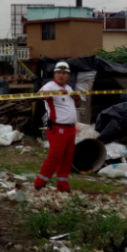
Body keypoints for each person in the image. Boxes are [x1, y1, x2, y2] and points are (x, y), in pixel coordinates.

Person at [35, 61, 82, 192]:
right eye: (59, 73)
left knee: (67, 157)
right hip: (57, 127)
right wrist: (54, 93)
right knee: (55, 156)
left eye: (64, 73)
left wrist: (76, 98)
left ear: (69, 75)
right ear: (55, 74)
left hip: (70, 128)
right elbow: (38, 96)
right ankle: (40, 183)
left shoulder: (69, 88)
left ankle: (63, 186)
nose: (61, 75)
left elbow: (76, 105)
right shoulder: (50, 85)